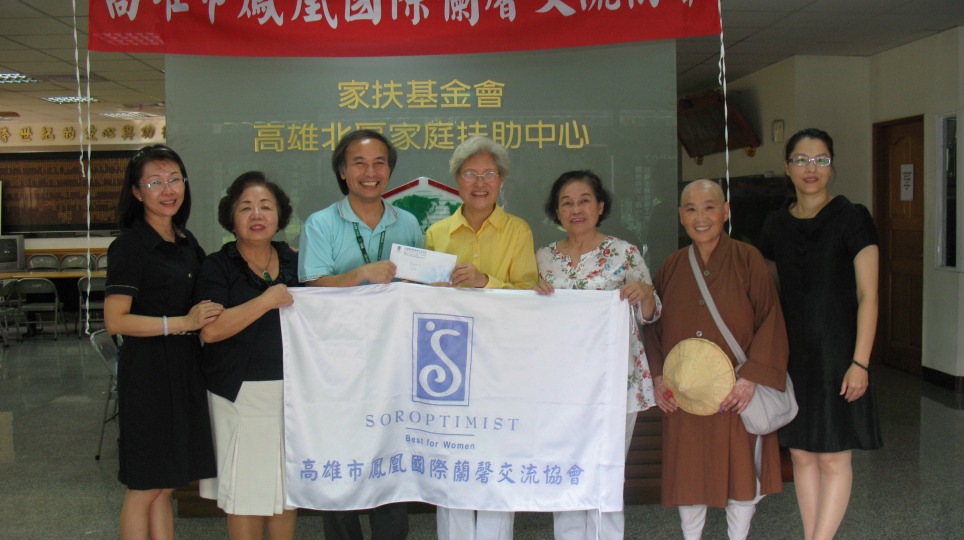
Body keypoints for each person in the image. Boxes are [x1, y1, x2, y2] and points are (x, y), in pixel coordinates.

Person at [645, 179, 789, 540]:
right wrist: (659, 378)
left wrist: (751, 378)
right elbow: (653, 328)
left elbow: (771, 319)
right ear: (681, 216)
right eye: (691, 209)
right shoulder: (672, 266)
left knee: (741, 471)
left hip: (735, 391)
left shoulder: (748, 259)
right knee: (688, 474)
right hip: (686, 395)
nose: (700, 217)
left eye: (709, 207)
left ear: (725, 211)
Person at [759, 128, 882, 540]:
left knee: (833, 457)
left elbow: (868, 295)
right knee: (801, 455)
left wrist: (860, 362)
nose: (811, 168)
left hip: (839, 354)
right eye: (801, 160)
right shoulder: (775, 224)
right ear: (787, 166)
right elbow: (770, 295)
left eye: (821, 160)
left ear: (832, 165)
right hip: (793, 355)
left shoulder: (852, 217)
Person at [298, 129, 421, 540]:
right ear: (342, 171)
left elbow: (420, 288)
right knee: (340, 453)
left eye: (379, 163)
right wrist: (360, 274)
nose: (371, 172)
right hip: (337, 361)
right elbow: (311, 287)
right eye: (359, 163)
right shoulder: (321, 223)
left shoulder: (408, 222)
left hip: (392, 360)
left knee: (390, 449)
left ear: (390, 170)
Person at [104, 144, 223, 540]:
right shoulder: (130, 246)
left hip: (185, 369)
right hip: (148, 375)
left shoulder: (185, 241)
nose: (168, 190)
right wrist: (181, 323)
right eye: (155, 183)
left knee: (166, 484)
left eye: (174, 179)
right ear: (137, 193)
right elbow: (116, 320)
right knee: (145, 486)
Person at [533, 170, 660, 540]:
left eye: (584, 201)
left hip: (616, 381)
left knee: (607, 470)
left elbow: (650, 314)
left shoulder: (625, 253)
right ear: (556, 211)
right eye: (567, 203)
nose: (576, 209)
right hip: (562, 385)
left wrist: (644, 293)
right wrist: (532, 295)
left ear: (600, 206)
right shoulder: (543, 259)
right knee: (566, 468)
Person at [425, 135, 538, 540]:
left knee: (496, 452)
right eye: (470, 174)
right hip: (448, 360)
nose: (480, 182)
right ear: (456, 180)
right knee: (452, 453)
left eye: (489, 174)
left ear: (501, 180)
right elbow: (423, 299)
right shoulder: (437, 233)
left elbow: (529, 293)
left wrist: (485, 281)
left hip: (501, 358)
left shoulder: (518, 231)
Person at [194, 172, 300, 539]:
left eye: (266, 206)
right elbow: (210, 330)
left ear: (279, 215)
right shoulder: (217, 265)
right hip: (240, 392)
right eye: (246, 207)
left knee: (285, 493)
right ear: (231, 217)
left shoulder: (294, 260)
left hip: (291, 392)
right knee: (245, 494)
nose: (257, 214)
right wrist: (266, 300)